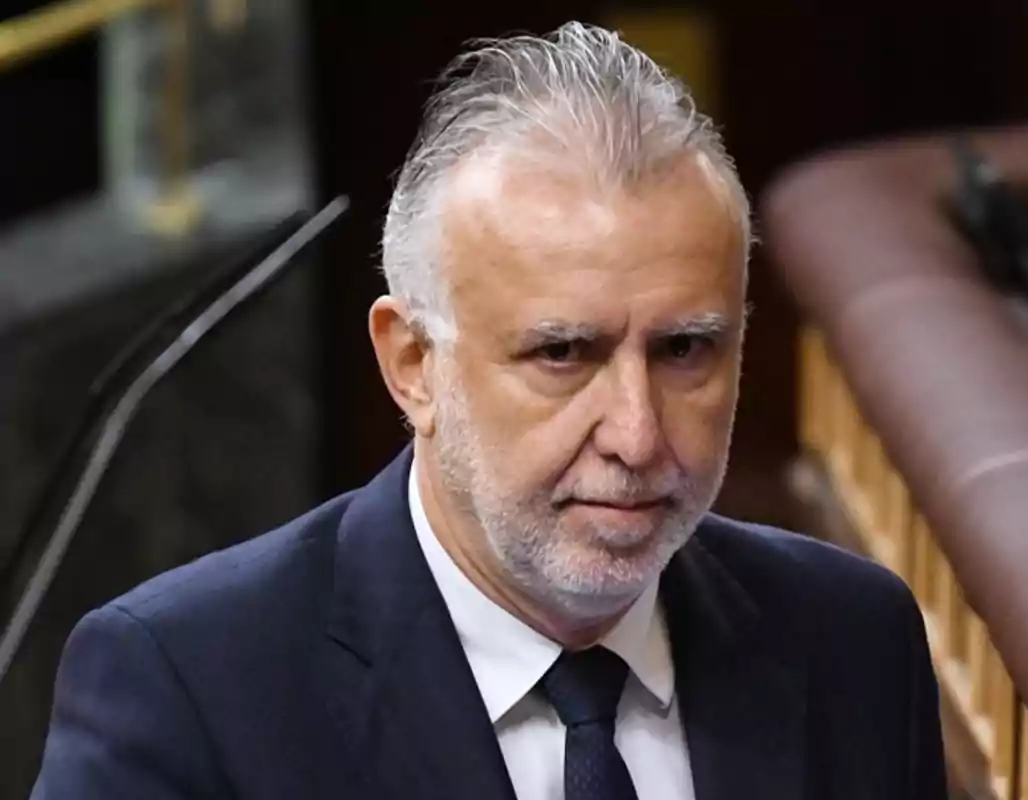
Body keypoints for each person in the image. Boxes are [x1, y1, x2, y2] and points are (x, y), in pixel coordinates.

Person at [32, 22, 946, 800]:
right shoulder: (188, 691)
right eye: (562, 354)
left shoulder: (852, 643)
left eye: (684, 351)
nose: (637, 433)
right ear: (413, 364)